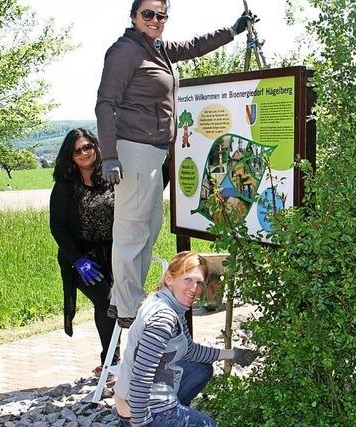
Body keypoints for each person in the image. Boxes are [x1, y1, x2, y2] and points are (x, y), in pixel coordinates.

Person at [95, 0, 254, 327]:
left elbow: (195, 46)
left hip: (154, 152)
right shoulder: (124, 52)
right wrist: (109, 155)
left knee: (148, 228)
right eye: (148, 14)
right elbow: (105, 104)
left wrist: (232, 31)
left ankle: (127, 297)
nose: (155, 20)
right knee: (131, 230)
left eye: (161, 15)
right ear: (134, 16)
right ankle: (127, 306)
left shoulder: (158, 50)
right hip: (133, 149)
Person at [114, 251, 256, 427]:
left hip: (138, 399)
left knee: (201, 369)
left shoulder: (171, 302)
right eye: (188, 280)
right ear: (169, 278)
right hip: (145, 409)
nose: (194, 289)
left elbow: (189, 350)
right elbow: (141, 377)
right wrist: (139, 422)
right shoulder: (163, 318)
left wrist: (233, 354)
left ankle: (177, 411)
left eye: (199, 283)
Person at [49, 128, 119, 373]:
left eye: (88, 146)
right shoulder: (65, 187)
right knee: (106, 299)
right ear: (70, 156)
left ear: (96, 147)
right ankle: (110, 362)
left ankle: (115, 358)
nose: (84, 153)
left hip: (112, 254)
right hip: (81, 259)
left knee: (118, 303)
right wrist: (78, 260)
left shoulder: (111, 176)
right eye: (77, 150)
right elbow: (57, 227)